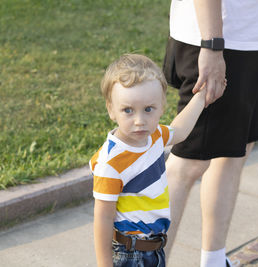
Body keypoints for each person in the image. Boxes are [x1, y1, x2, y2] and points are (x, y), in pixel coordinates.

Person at [162, 0, 258, 266]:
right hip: (219, 40)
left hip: (248, 38)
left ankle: (214, 261)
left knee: (235, 150)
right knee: (187, 163)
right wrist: (212, 44)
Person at [90, 54, 223, 266]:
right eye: (128, 110)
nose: (139, 121)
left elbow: (179, 130)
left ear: (162, 106)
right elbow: (103, 218)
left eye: (148, 109)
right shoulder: (111, 163)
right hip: (130, 254)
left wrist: (201, 97)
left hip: (155, 248)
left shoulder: (155, 136)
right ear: (111, 109)